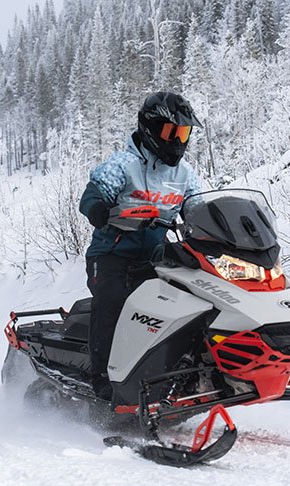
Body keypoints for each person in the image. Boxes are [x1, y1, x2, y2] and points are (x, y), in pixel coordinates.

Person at [79, 91, 203, 402]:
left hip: (157, 258)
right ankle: (104, 384)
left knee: (190, 304)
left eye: (183, 133)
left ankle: (186, 373)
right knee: (114, 302)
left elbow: (201, 208)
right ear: (150, 128)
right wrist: (99, 209)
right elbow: (92, 196)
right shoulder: (122, 165)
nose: (177, 140)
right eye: (171, 132)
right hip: (111, 255)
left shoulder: (186, 175)